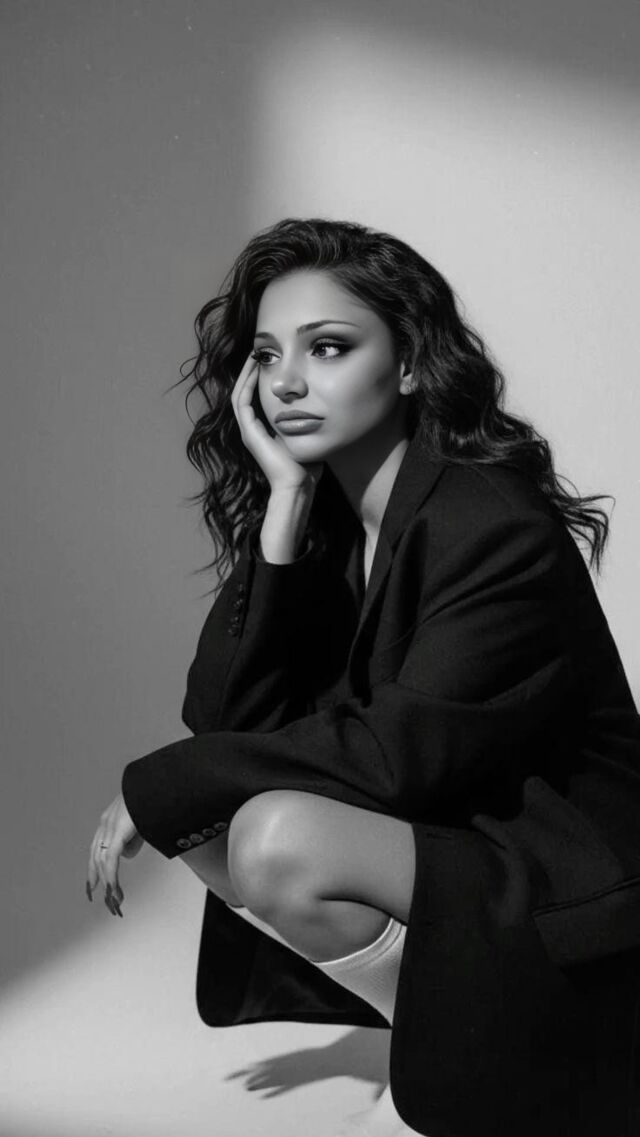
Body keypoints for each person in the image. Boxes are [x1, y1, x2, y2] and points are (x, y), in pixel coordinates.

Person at [86, 219, 640, 1137]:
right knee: (208, 818)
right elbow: (225, 720)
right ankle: (441, 1032)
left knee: (267, 831)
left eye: (329, 347)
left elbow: (396, 756)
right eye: (268, 355)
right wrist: (283, 513)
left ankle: (495, 1051)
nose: (286, 382)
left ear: (411, 363)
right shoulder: (336, 520)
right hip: (459, 823)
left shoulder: (488, 522)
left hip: (565, 864)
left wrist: (166, 783)